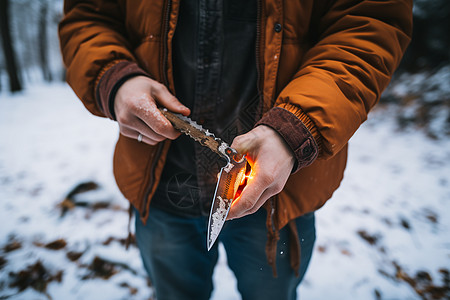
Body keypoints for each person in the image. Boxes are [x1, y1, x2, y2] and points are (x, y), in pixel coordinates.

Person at [59, 0, 412, 299]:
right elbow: (87, 16)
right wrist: (116, 77)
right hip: (162, 186)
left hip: (280, 191)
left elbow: (368, 24)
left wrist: (294, 127)